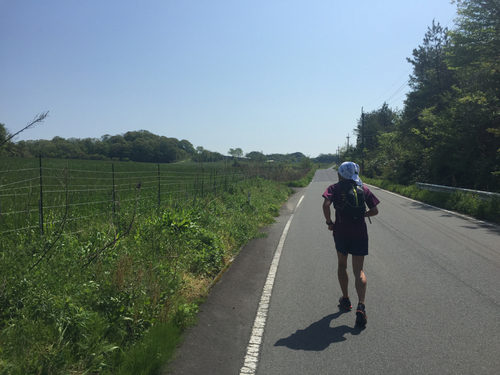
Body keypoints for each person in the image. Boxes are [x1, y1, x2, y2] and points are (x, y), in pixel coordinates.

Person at [322, 161, 379, 326]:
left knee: (342, 265)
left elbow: (326, 204)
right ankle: (361, 305)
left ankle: (346, 299)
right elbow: (375, 211)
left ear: (339, 173)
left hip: (341, 233)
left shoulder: (334, 188)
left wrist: (329, 222)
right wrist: (363, 214)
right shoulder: (364, 189)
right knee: (359, 270)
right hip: (360, 233)